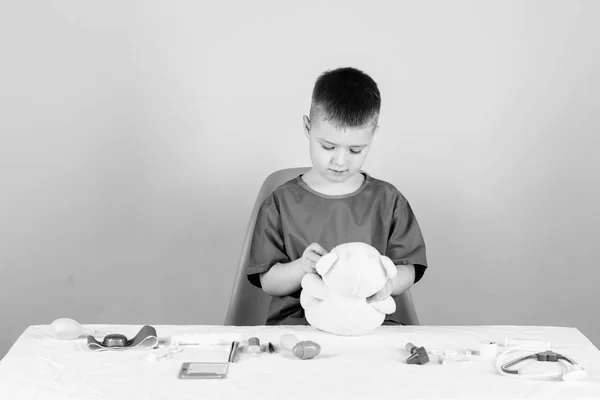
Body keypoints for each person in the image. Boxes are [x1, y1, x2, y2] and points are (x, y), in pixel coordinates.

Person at [246, 66, 428, 325]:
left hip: (371, 326)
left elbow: (408, 269)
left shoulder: (388, 201)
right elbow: (269, 282)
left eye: (355, 150)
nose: (340, 161)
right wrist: (302, 267)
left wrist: (387, 282)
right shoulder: (279, 203)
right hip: (300, 329)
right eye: (328, 146)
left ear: (373, 135)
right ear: (307, 128)